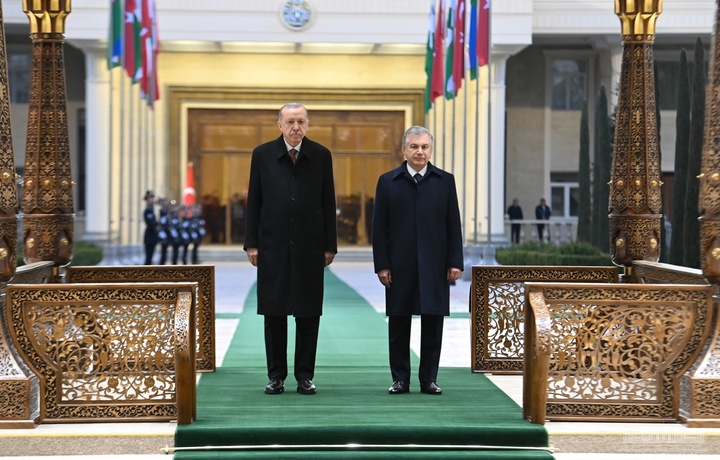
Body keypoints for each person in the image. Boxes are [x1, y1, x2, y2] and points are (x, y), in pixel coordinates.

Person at [244, 102, 337, 396]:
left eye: (301, 121)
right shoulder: (262, 155)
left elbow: (327, 202)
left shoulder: (321, 155)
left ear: (308, 124)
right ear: (280, 125)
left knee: (308, 314)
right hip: (273, 246)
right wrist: (252, 243)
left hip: (310, 247)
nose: (296, 127)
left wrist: (329, 245)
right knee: (274, 313)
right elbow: (254, 202)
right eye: (290, 122)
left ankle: (304, 376)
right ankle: (276, 376)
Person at [372, 126, 463, 396]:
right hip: (399, 265)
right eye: (414, 146)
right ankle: (400, 379)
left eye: (424, 147)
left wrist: (455, 261)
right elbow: (379, 229)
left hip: (435, 264)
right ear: (404, 150)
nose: (419, 151)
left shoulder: (445, 181)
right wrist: (382, 265)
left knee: (433, 321)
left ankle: (429, 379)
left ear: (430, 150)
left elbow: (453, 224)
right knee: (399, 322)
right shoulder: (388, 181)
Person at [143, 190, 158, 265]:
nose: (152, 199)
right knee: (148, 257)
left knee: (151, 257)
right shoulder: (148, 210)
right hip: (149, 236)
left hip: (153, 236)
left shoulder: (152, 210)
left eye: (153, 197)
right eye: (150, 197)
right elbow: (151, 224)